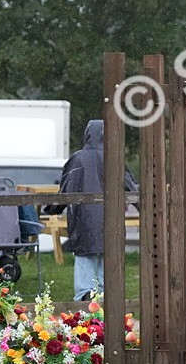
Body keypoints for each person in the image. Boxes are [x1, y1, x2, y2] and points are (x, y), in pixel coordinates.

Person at [45, 120, 138, 300]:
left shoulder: (77, 159)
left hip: (83, 222)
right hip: (111, 223)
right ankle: (107, 305)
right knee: (107, 267)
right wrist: (148, 210)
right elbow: (131, 188)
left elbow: (66, 191)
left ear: (87, 135)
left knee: (85, 266)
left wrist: (52, 209)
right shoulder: (114, 158)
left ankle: (84, 303)